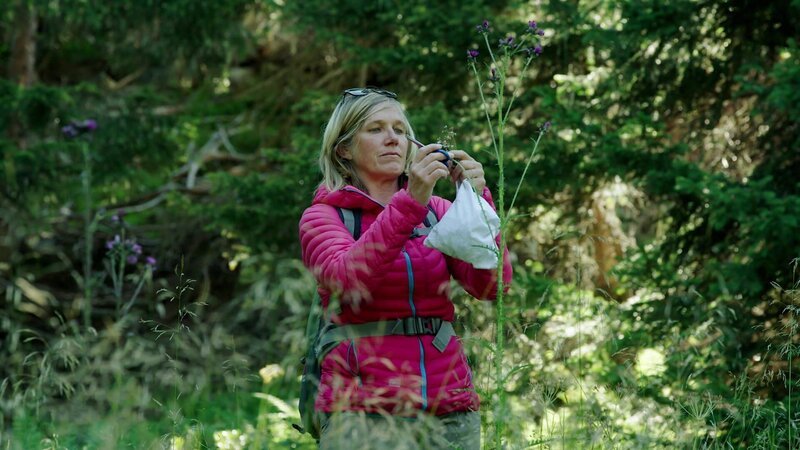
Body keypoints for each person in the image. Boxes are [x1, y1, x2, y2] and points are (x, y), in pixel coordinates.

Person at [298, 87, 512, 449]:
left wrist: (477, 200)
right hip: (361, 411)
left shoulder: (438, 210)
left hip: (448, 405)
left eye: (400, 128)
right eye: (376, 129)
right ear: (344, 149)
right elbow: (346, 282)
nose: (393, 138)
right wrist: (409, 202)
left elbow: (493, 287)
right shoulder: (324, 216)